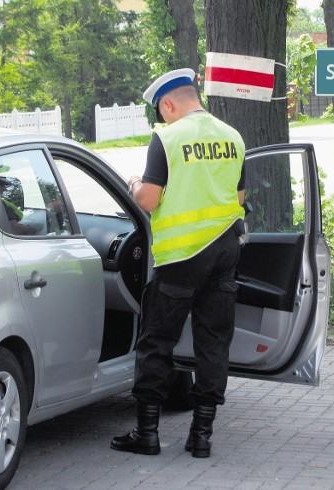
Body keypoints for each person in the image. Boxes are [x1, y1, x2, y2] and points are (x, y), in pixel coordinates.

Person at [110, 68, 246, 458]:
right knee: (213, 344)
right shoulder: (232, 136)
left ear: (168, 104)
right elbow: (237, 198)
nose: (162, 118)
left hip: (181, 258)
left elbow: (149, 200)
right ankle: (201, 436)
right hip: (224, 254)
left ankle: (147, 434)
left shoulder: (166, 138)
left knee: (156, 342)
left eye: (161, 111)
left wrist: (135, 183)